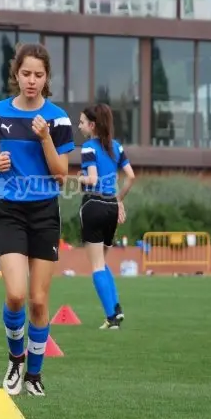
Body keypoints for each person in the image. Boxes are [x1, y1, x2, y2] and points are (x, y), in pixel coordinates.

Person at [0, 42, 75, 397]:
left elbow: (62, 174)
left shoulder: (58, 118)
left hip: (45, 213)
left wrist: (45, 137)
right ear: (16, 75)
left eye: (38, 74)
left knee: (37, 300)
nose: (31, 80)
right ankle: (15, 360)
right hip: (10, 212)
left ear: (47, 78)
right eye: (25, 74)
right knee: (16, 295)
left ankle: (34, 374)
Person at [77, 103, 135, 330]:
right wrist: (119, 199)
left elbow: (91, 179)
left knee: (96, 265)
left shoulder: (89, 147)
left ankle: (111, 318)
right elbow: (131, 177)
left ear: (92, 125)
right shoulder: (117, 147)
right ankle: (116, 310)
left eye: (81, 122)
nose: (79, 126)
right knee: (103, 260)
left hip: (93, 204)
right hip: (111, 206)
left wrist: (75, 178)